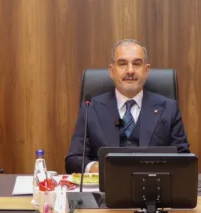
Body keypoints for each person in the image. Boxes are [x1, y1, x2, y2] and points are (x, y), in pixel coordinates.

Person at [65, 39, 190, 174]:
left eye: (136, 64)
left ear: (146, 70)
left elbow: (184, 159)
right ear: (112, 71)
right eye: (123, 64)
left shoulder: (169, 108)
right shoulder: (90, 108)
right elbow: (73, 160)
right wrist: (93, 167)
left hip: (152, 185)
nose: (130, 70)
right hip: (105, 185)